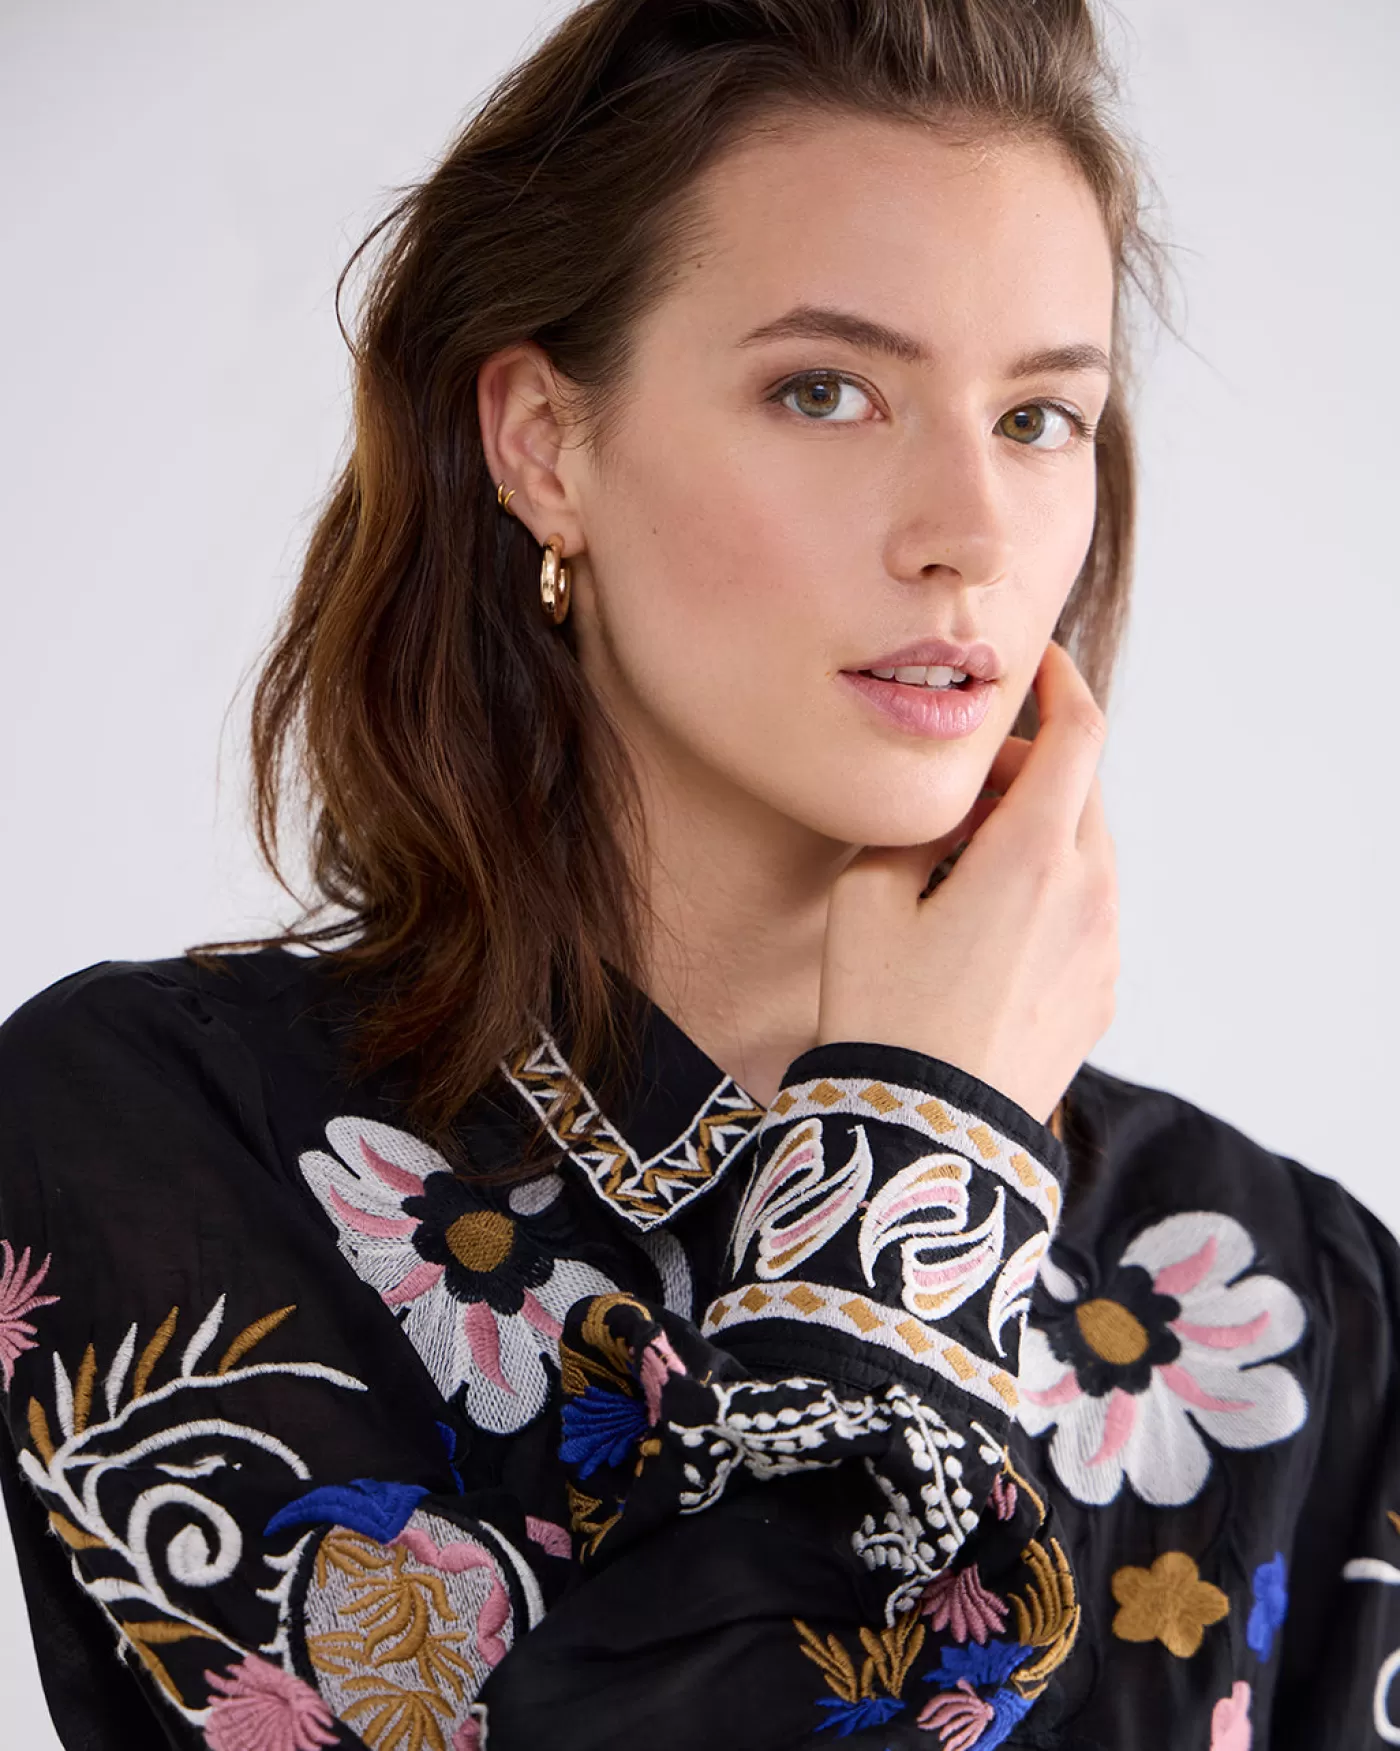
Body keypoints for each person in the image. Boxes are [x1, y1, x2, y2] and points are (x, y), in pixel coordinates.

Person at [1, 1, 1396, 1746]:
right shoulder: (158, 1130)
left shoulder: (1278, 1298)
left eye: (1041, 417)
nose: (968, 530)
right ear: (544, 443)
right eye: (826, 391)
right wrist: (916, 1159)